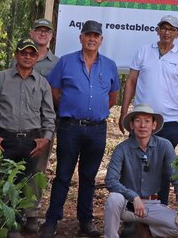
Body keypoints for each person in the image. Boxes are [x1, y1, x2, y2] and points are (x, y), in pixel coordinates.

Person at [40, 20, 120, 238]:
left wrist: (93, 111)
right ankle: (51, 220)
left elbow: (112, 97)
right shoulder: (66, 62)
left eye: (96, 36)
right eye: (88, 35)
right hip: (70, 127)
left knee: (88, 178)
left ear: (101, 40)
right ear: (81, 38)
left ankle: (85, 221)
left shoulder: (109, 65)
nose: (92, 39)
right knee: (63, 175)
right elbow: (54, 90)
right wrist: (70, 106)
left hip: (97, 129)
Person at [0, 38, 56, 235]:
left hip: (32, 141)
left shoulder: (42, 83)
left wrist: (46, 138)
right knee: (3, 182)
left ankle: (19, 221)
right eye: (24, 53)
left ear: (36, 57)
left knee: (27, 183)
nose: (28, 56)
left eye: (32, 53)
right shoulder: (1, 78)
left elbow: (49, 114)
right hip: (5, 139)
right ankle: (4, 225)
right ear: (16, 55)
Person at [119, 15, 178, 206]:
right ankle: (131, 210)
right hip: (142, 120)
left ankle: (161, 209)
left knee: (164, 168)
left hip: (168, 122)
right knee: (134, 165)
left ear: (177, 34)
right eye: (164, 28)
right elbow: (131, 81)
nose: (167, 32)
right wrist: (124, 112)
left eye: (171, 29)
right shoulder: (143, 52)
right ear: (157, 30)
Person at [104, 104, 178, 238]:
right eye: (138, 120)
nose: (142, 125)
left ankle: (146, 229)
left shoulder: (164, 146)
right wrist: (133, 196)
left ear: (154, 125)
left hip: (151, 205)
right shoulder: (122, 149)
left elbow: (176, 178)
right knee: (114, 199)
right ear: (132, 125)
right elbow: (110, 181)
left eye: (147, 121)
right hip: (129, 205)